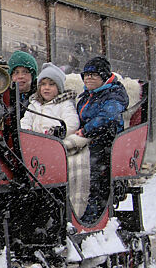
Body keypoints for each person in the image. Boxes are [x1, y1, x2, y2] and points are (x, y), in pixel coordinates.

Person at [73, 55, 129, 223]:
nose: (89, 78)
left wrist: (85, 131)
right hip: (88, 142)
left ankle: (93, 215)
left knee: (94, 177)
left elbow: (107, 117)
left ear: (104, 77)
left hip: (106, 143)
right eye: (86, 75)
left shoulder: (114, 94)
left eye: (94, 74)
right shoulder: (86, 96)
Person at [20, 62, 79, 138]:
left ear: (58, 88)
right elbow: (25, 121)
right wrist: (27, 132)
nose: (46, 87)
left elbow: (72, 123)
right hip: (34, 142)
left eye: (51, 84)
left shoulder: (65, 104)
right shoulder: (34, 104)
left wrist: (58, 132)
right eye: (43, 84)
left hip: (54, 142)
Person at [6, 49, 38, 120]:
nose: (20, 76)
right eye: (16, 72)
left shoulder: (40, 97)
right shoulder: (6, 97)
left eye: (25, 72)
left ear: (32, 76)